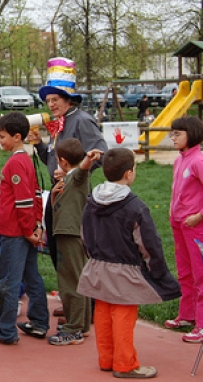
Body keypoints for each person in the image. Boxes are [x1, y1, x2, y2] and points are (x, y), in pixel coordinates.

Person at [77, 148, 181, 378]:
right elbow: (148, 243)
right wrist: (158, 270)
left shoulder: (91, 201)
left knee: (103, 311)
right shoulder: (136, 207)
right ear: (129, 173)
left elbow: (84, 234)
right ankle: (125, 364)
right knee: (123, 315)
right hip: (124, 269)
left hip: (97, 264)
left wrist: (92, 256)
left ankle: (106, 358)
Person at [28, 57, 107, 318]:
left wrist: (74, 171)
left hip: (74, 197)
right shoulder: (58, 124)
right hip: (56, 196)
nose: (51, 105)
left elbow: (101, 154)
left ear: (68, 99)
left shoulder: (82, 121)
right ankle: (72, 302)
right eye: (48, 100)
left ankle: (86, 307)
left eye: (55, 100)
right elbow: (53, 161)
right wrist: (40, 145)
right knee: (57, 251)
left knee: (74, 255)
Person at [0, 112, 49, 345]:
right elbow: (35, 195)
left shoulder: (15, 162)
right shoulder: (26, 159)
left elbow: (23, 201)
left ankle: (6, 330)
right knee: (31, 276)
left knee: (8, 282)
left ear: (16, 137)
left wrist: (27, 231)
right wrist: (36, 225)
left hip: (15, 232)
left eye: (2, 137)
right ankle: (38, 321)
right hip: (24, 229)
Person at [47, 139, 102, 346]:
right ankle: (82, 324)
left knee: (70, 282)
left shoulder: (77, 176)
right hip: (68, 232)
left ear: (62, 160)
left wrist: (88, 159)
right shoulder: (68, 179)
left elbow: (83, 171)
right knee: (78, 279)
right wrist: (53, 196)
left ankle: (74, 328)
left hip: (70, 234)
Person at [165, 116, 203, 342]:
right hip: (178, 223)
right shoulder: (180, 160)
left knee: (200, 274)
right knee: (185, 272)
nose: (173, 137)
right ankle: (187, 315)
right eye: (173, 133)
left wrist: (198, 215)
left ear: (192, 134)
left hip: (195, 226)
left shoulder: (198, 160)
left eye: (178, 133)